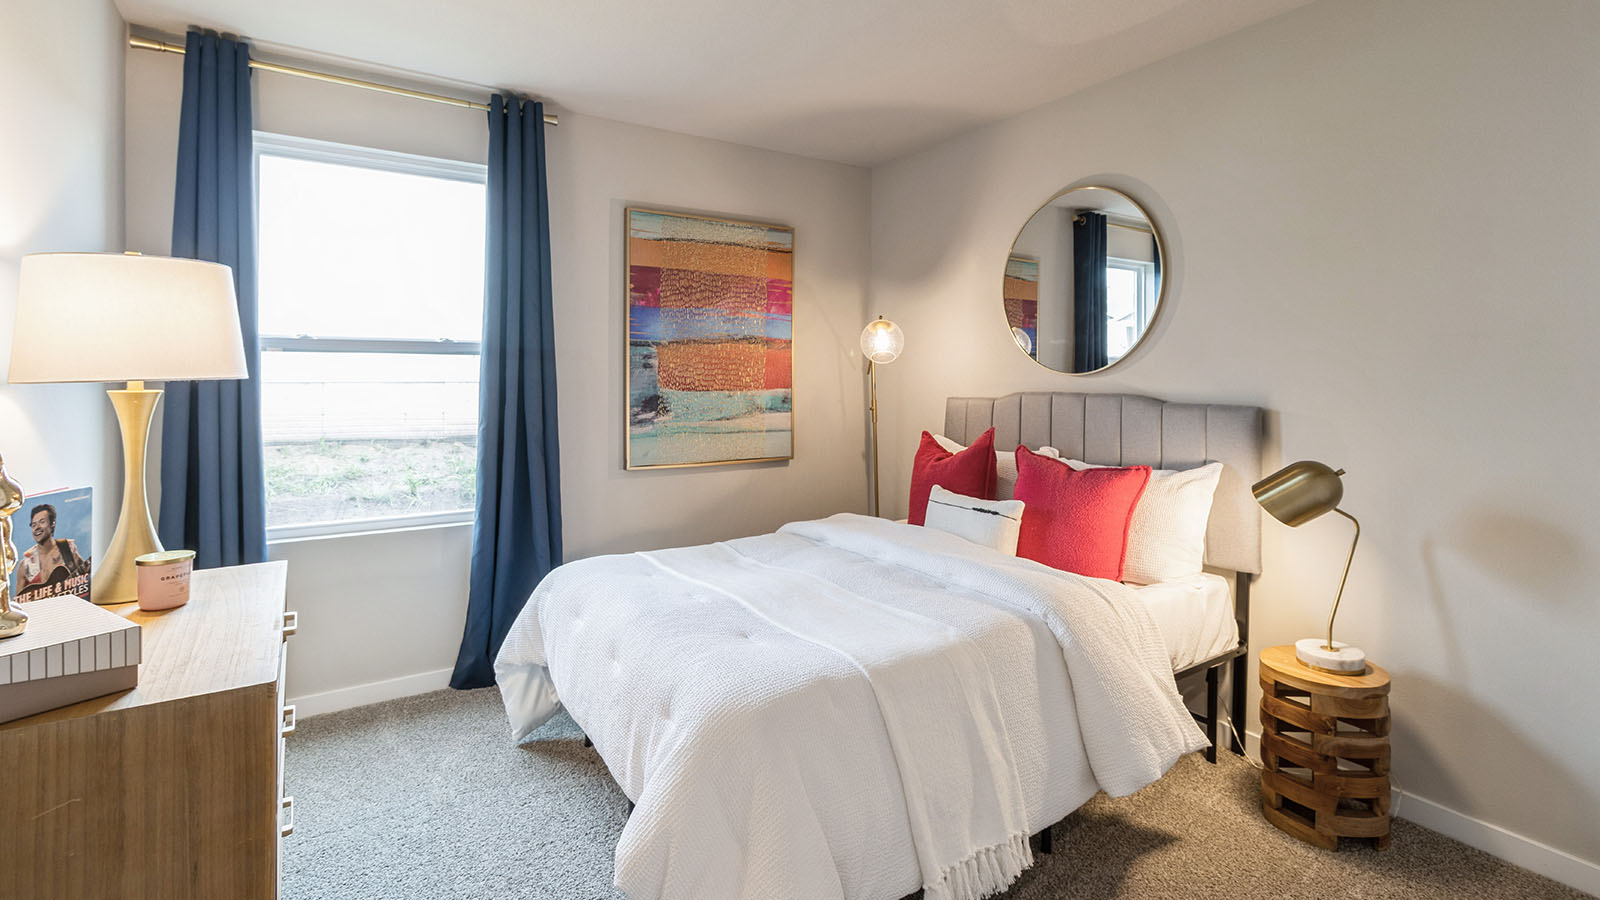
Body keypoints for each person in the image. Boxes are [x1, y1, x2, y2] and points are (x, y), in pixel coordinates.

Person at [16, 503, 90, 601]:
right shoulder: (26, 564)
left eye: (42, 522)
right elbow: (17, 603)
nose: (37, 527)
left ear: (52, 523)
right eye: (33, 525)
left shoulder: (67, 549)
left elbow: (85, 576)